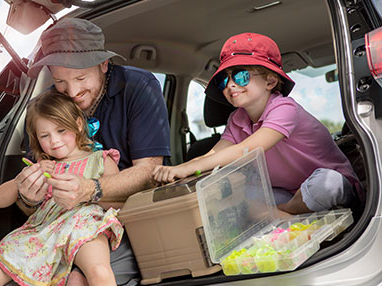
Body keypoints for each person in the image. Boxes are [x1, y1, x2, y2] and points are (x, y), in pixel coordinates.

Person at [15, 18, 171, 286]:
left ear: (103, 64)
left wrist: (89, 189)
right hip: (60, 228)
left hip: (126, 219)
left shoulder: (138, 87)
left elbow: (149, 173)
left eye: (81, 78)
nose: (72, 92)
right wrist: (27, 199)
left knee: (81, 279)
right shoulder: (49, 105)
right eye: (60, 80)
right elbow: (34, 203)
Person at [153, 32, 362, 214]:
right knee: (243, 195)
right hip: (287, 193)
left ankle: (281, 215)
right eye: (224, 80)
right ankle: (287, 214)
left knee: (327, 184)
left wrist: (190, 167)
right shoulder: (237, 120)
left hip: (330, 188)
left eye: (241, 76)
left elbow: (247, 149)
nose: (231, 85)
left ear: (270, 82)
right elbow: (214, 155)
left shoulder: (284, 108)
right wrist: (182, 168)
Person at [0, 91, 124, 286]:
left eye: (61, 130)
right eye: (45, 135)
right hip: (43, 231)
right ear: (36, 138)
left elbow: (119, 200)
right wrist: (20, 181)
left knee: (99, 272)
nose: (54, 141)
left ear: (79, 124)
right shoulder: (41, 168)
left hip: (86, 225)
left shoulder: (101, 160)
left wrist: (87, 192)